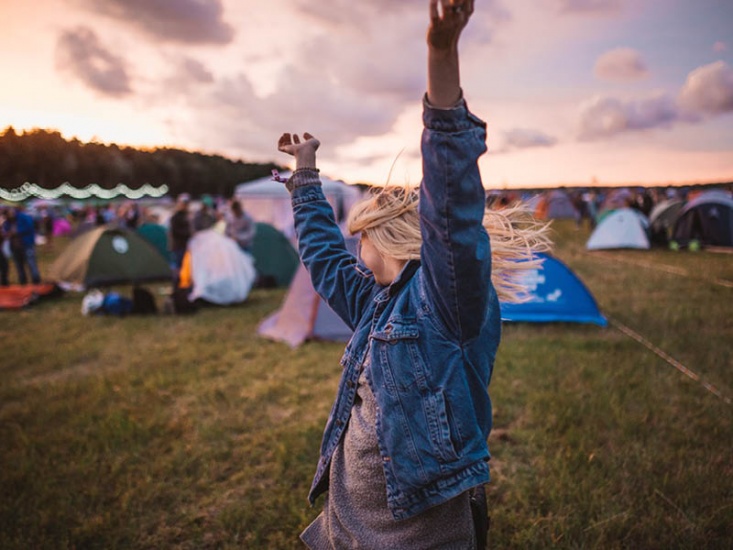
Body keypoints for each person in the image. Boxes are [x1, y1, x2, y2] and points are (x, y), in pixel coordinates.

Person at [276, 1, 551, 548]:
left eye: (363, 233)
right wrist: (306, 178)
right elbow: (324, 260)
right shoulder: (377, 301)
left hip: (417, 537)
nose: (356, 245)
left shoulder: (445, 303)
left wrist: (441, 56)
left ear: (392, 236)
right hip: (347, 527)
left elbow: (451, 203)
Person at [3, 205, 41, 285]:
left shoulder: (23, 217)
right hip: (14, 246)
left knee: (31, 263)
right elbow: (6, 230)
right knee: (19, 265)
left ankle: (36, 280)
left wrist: (17, 231)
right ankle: (23, 281)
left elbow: (29, 226)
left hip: (26, 244)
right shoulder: (7, 222)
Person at [169, 194, 192, 273]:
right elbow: (175, 232)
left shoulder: (187, 216)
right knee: (178, 266)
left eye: (186, 204)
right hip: (178, 246)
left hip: (186, 245)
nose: (185, 206)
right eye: (183, 204)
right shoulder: (176, 217)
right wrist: (188, 233)